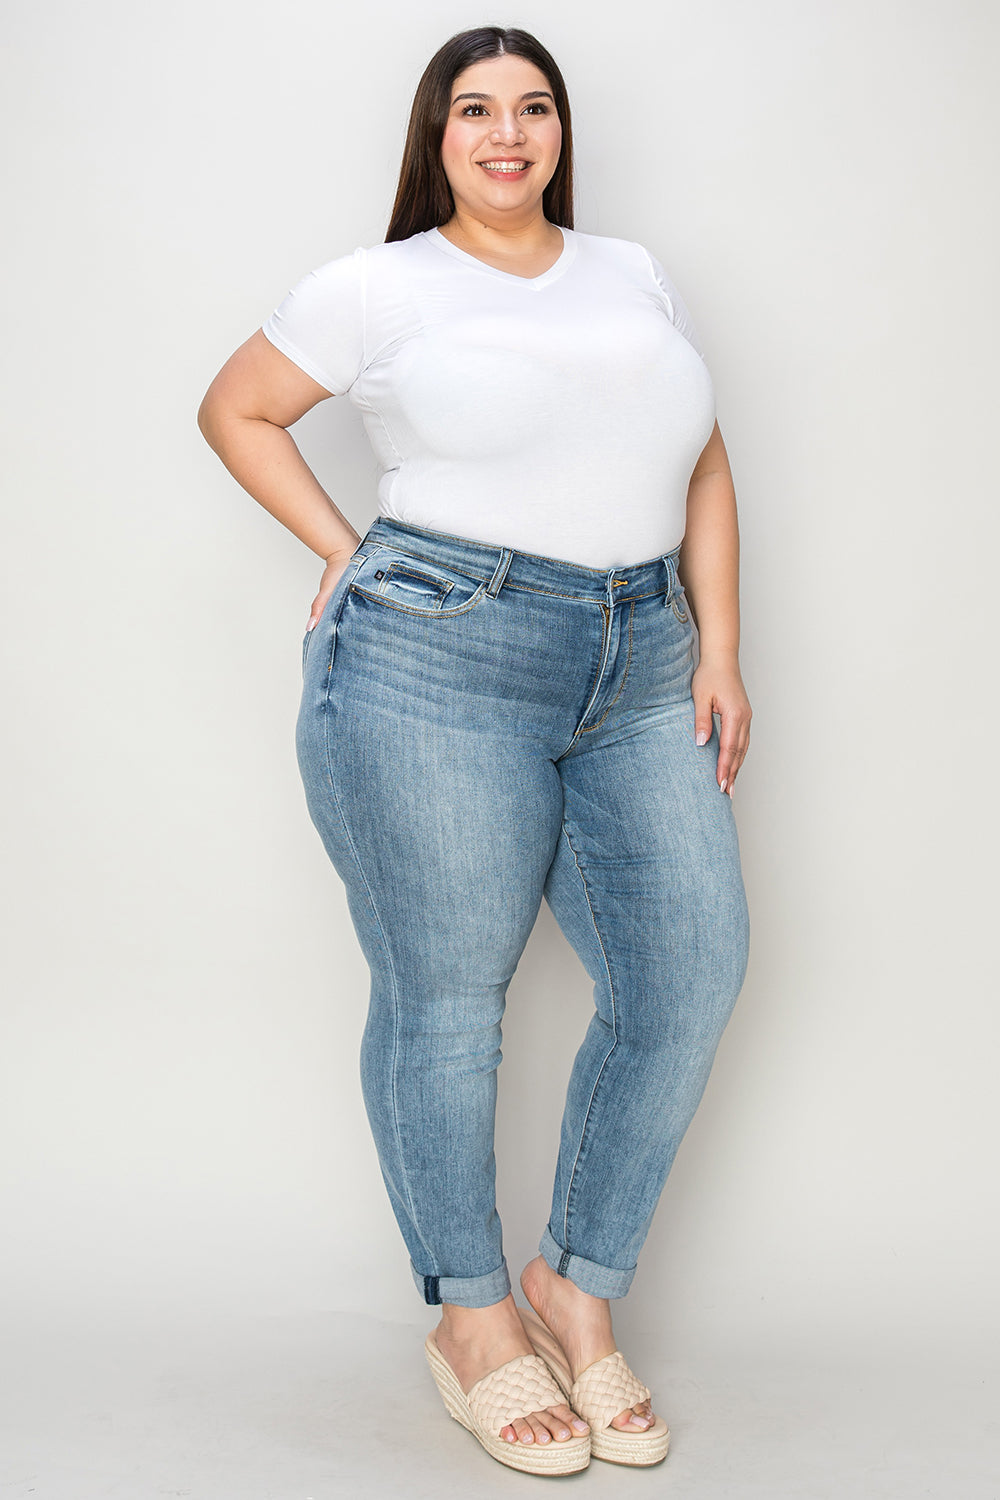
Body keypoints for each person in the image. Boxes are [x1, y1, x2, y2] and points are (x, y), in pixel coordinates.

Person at [198, 24, 751, 1476]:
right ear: (434, 136)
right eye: (475, 110)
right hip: (438, 654)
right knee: (450, 997)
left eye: (533, 108)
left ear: (560, 130)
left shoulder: (631, 274)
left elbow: (697, 453)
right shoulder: (375, 287)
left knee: (688, 968)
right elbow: (236, 409)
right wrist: (346, 553)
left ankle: (576, 1283)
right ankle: (473, 1319)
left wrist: (724, 649)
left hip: (643, 659)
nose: (507, 133)